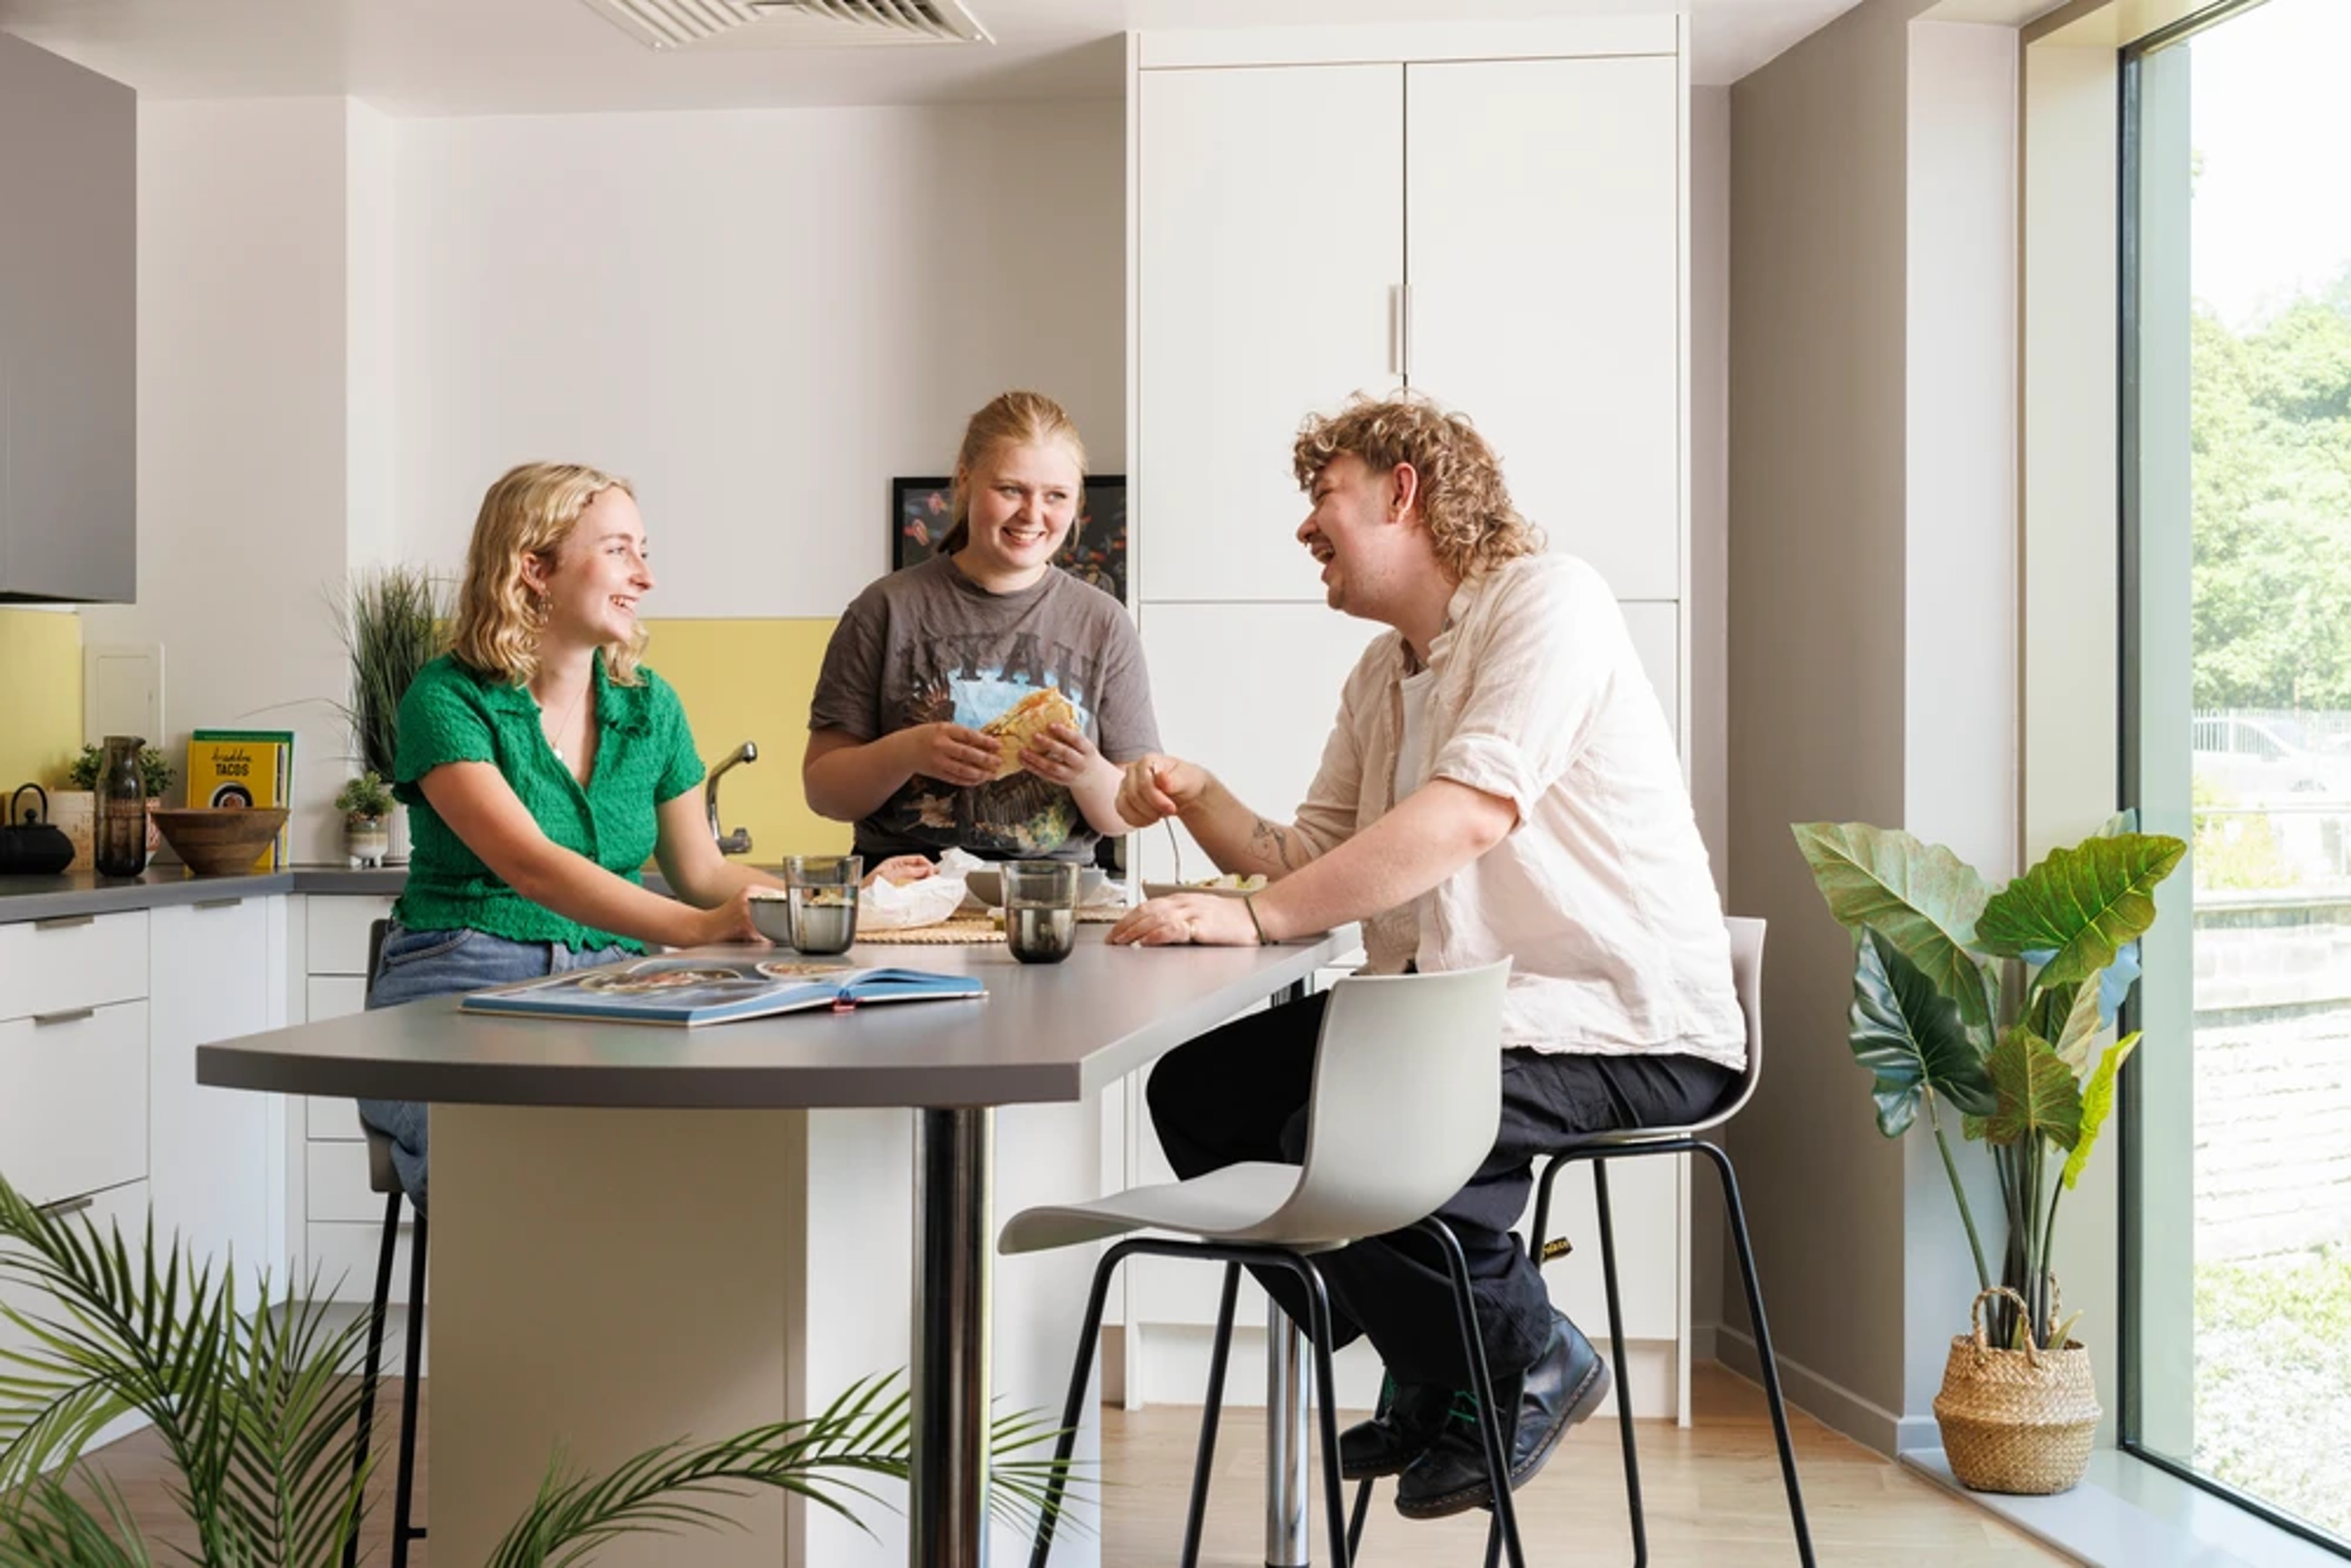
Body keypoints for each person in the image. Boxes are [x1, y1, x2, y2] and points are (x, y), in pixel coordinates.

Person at [1108, 394, 1745, 1521]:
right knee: (1200, 1095)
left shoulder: (1551, 601)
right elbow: (1307, 857)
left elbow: (1467, 815)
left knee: (1348, 1137)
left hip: (1619, 1022)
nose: (1306, 525)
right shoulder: (1379, 675)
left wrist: (1255, 919)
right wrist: (1202, 798)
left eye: (1325, 495)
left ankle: (1526, 1356)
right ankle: (1438, 1358)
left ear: (1403, 492)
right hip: (1455, 1014)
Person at [359, 461, 928, 1210]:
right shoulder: (447, 698)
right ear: (535, 567)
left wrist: (844, 900)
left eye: (644, 551)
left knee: (682, 1154)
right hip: (461, 977)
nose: (645, 576)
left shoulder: (650, 706)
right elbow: (533, 866)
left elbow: (704, 872)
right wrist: (695, 929)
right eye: (619, 550)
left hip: (611, 981)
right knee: (507, 1161)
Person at [803, 391, 1160, 866]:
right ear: (966, 481)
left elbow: (1130, 812)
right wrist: (907, 752)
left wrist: (1087, 771)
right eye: (1011, 489)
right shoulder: (884, 609)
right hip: (905, 891)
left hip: (1052, 896)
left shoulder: (1104, 623)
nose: (1032, 514)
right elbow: (824, 791)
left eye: (1056, 496)